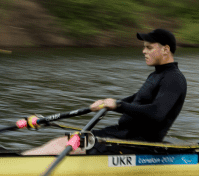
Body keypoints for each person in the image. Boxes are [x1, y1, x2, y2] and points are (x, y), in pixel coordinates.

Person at [23, 29, 187, 155]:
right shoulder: (157, 75)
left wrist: (118, 105)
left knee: (64, 145)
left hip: (137, 144)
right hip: (121, 135)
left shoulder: (174, 79)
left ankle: (20, 164)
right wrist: (107, 103)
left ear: (165, 50)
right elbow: (137, 99)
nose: (144, 51)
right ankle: (22, 158)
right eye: (144, 47)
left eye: (149, 47)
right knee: (62, 141)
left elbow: (157, 113)